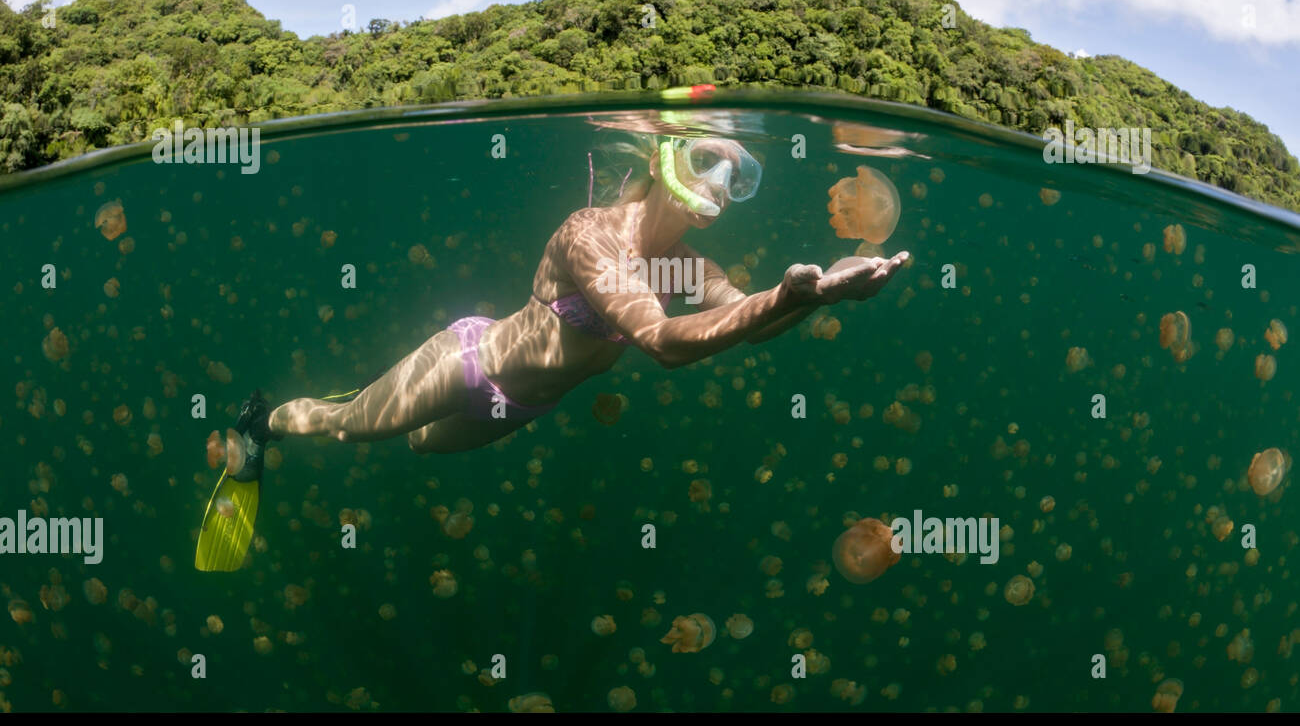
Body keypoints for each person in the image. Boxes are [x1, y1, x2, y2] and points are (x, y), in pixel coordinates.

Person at [198, 137, 908, 569]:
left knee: (418, 445)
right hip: (472, 364)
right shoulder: (590, 234)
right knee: (350, 428)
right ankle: (262, 427)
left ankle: (369, 392)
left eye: (739, 175)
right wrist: (784, 298)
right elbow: (661, 342)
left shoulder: (684, 262)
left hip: (523, 405)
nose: (721, 185)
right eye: (707, 161)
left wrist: (812, 298)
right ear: (665, 160)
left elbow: (741, 318)